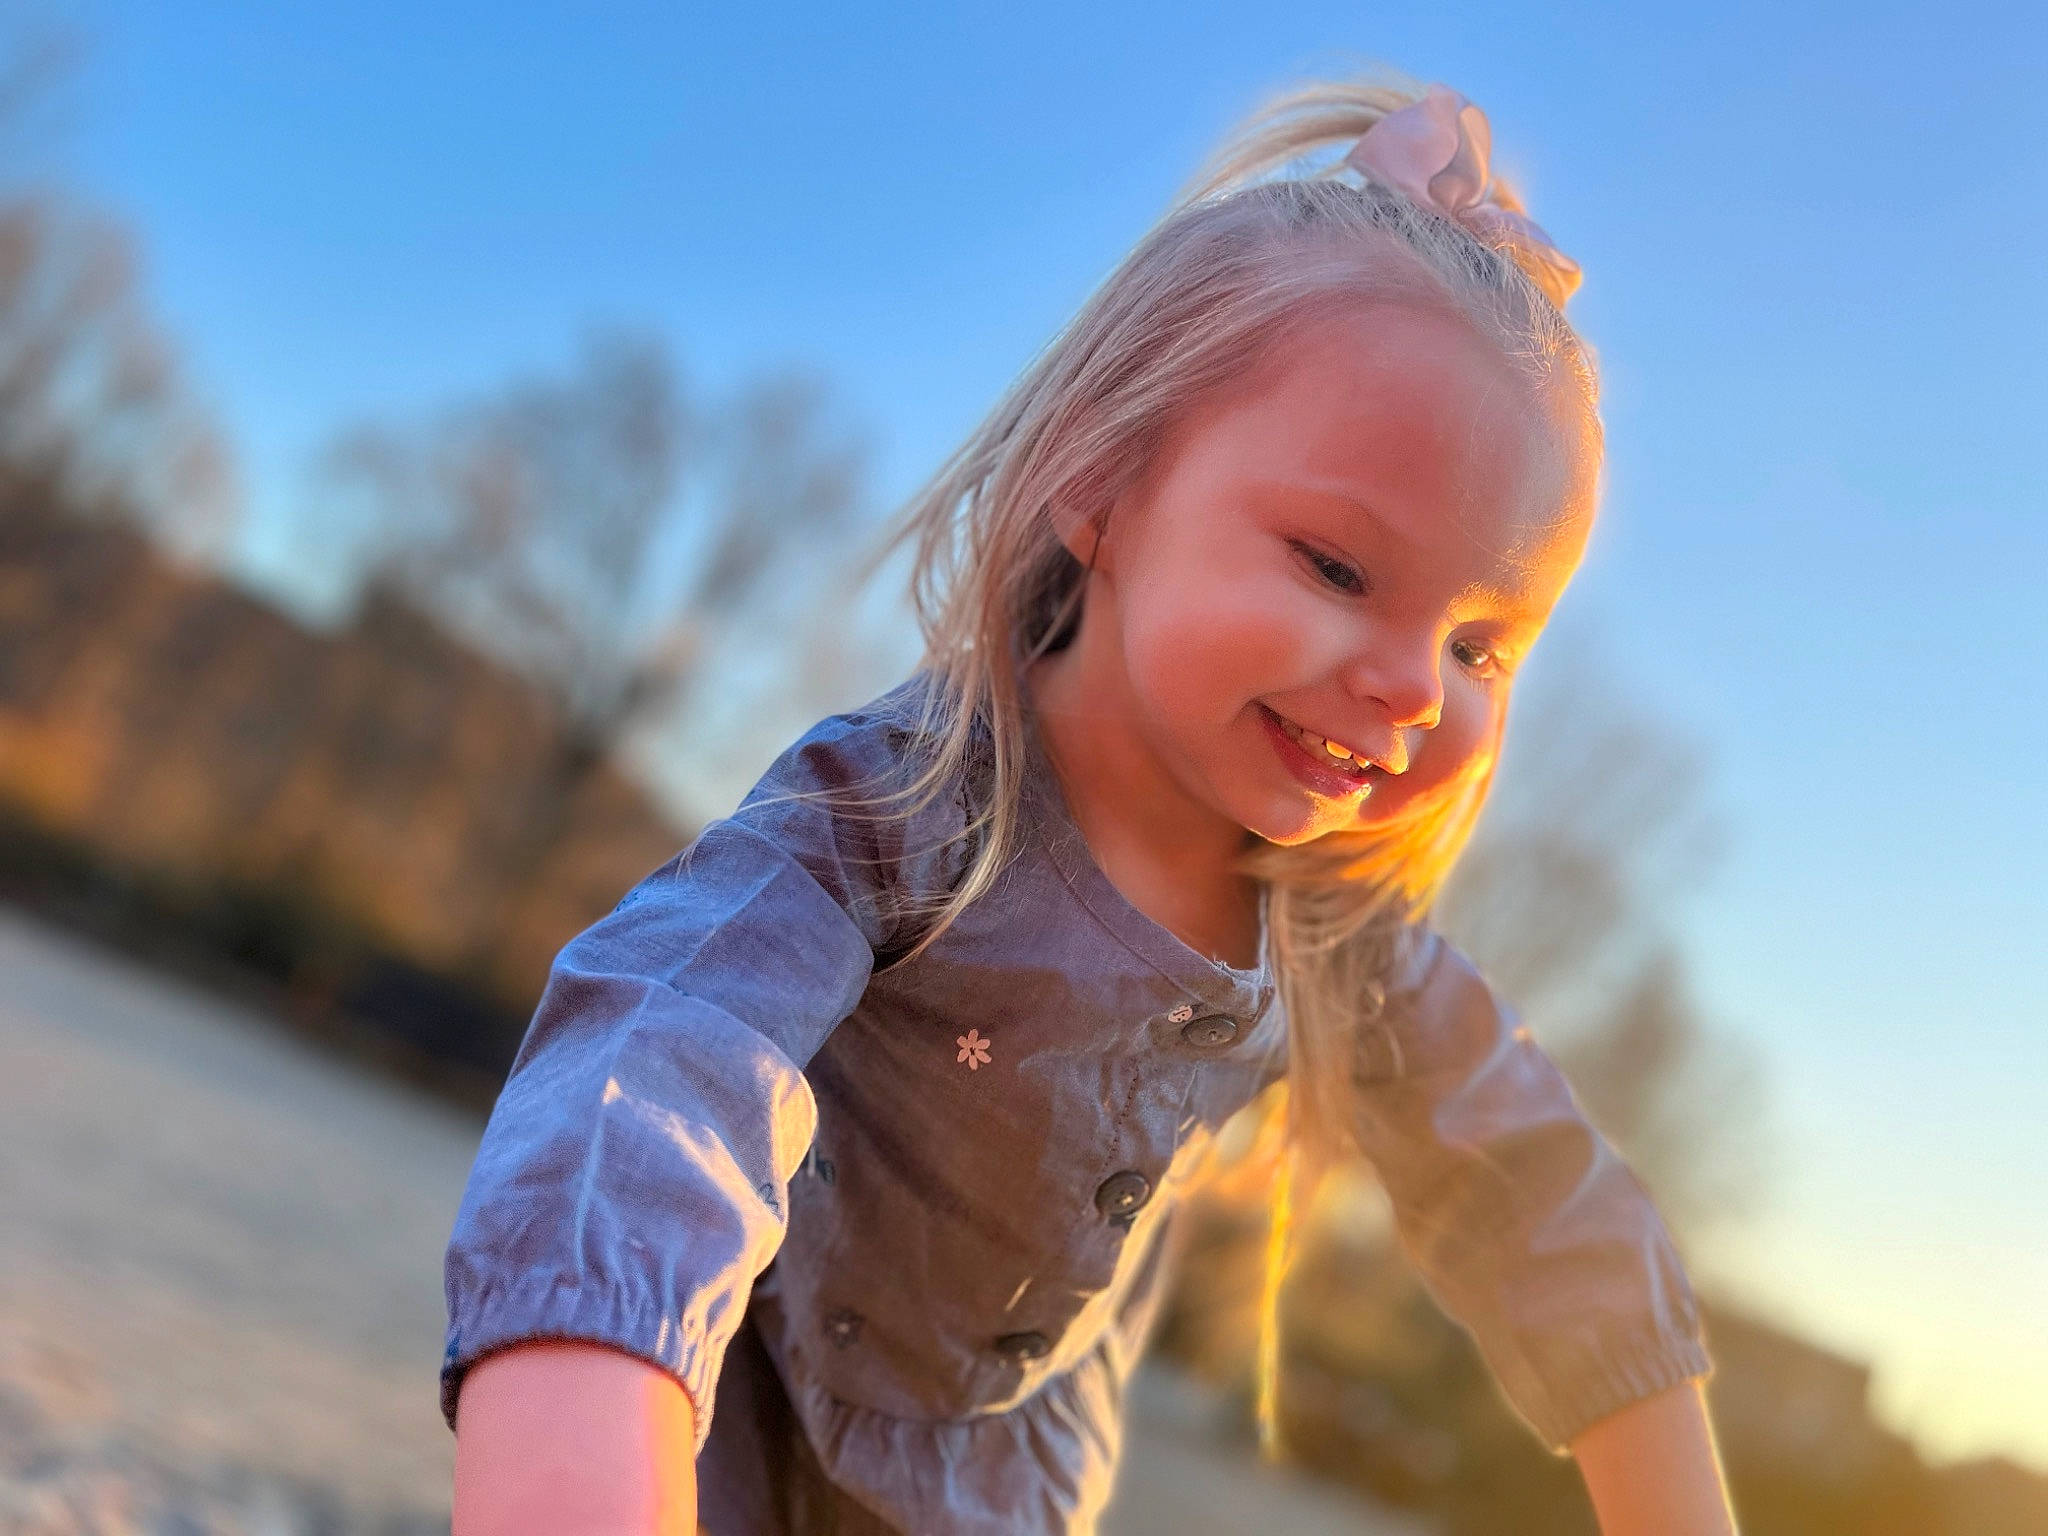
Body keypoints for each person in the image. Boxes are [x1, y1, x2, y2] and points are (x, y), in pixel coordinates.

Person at [441, 77, 1738, 1535]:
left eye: (1483, 643)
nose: (1414, 687)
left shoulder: (1336, 944)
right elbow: (656, 1066)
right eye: (1336, 566)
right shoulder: (903, 813)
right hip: (713, 1461)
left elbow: (1550, 1212)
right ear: (1101, 485)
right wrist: (581, 1459)